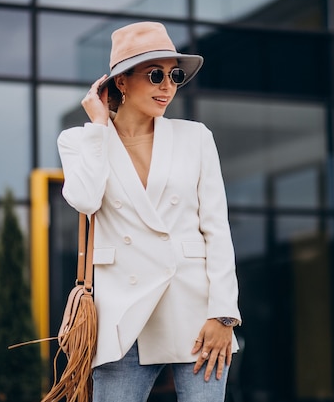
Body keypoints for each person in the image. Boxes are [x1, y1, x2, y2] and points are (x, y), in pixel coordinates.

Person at [57, 21, 241, 402]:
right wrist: (98, 127)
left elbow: (217, 230)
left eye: (174, 75)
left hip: (194, 313)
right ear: (121, 82)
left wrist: (224, 315)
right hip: (123, 317)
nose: (167, 86)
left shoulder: (196, 137)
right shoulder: (81, 140)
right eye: (155, 74)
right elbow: (85, 200)